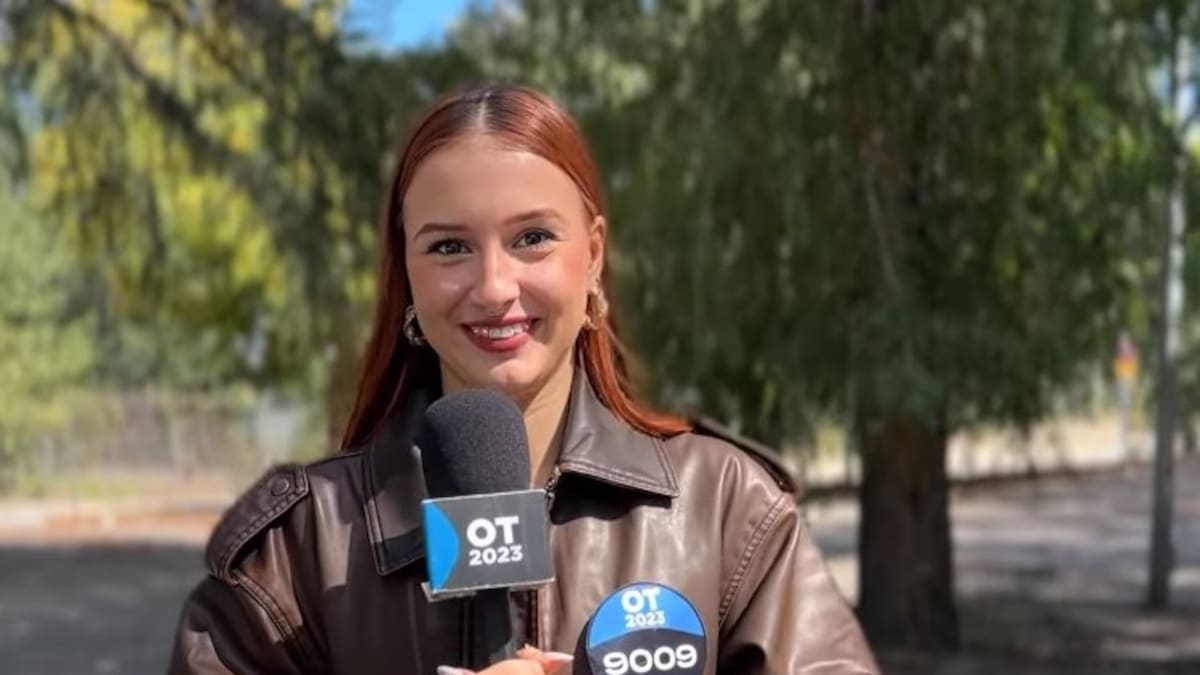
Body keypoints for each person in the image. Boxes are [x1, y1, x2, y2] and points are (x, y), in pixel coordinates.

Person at [168, 84, 878, 675]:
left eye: (532, 238)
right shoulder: (294, 551)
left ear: (593, 255)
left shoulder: (725, 509)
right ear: (406, 273)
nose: (493, 286)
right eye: (449, 246)